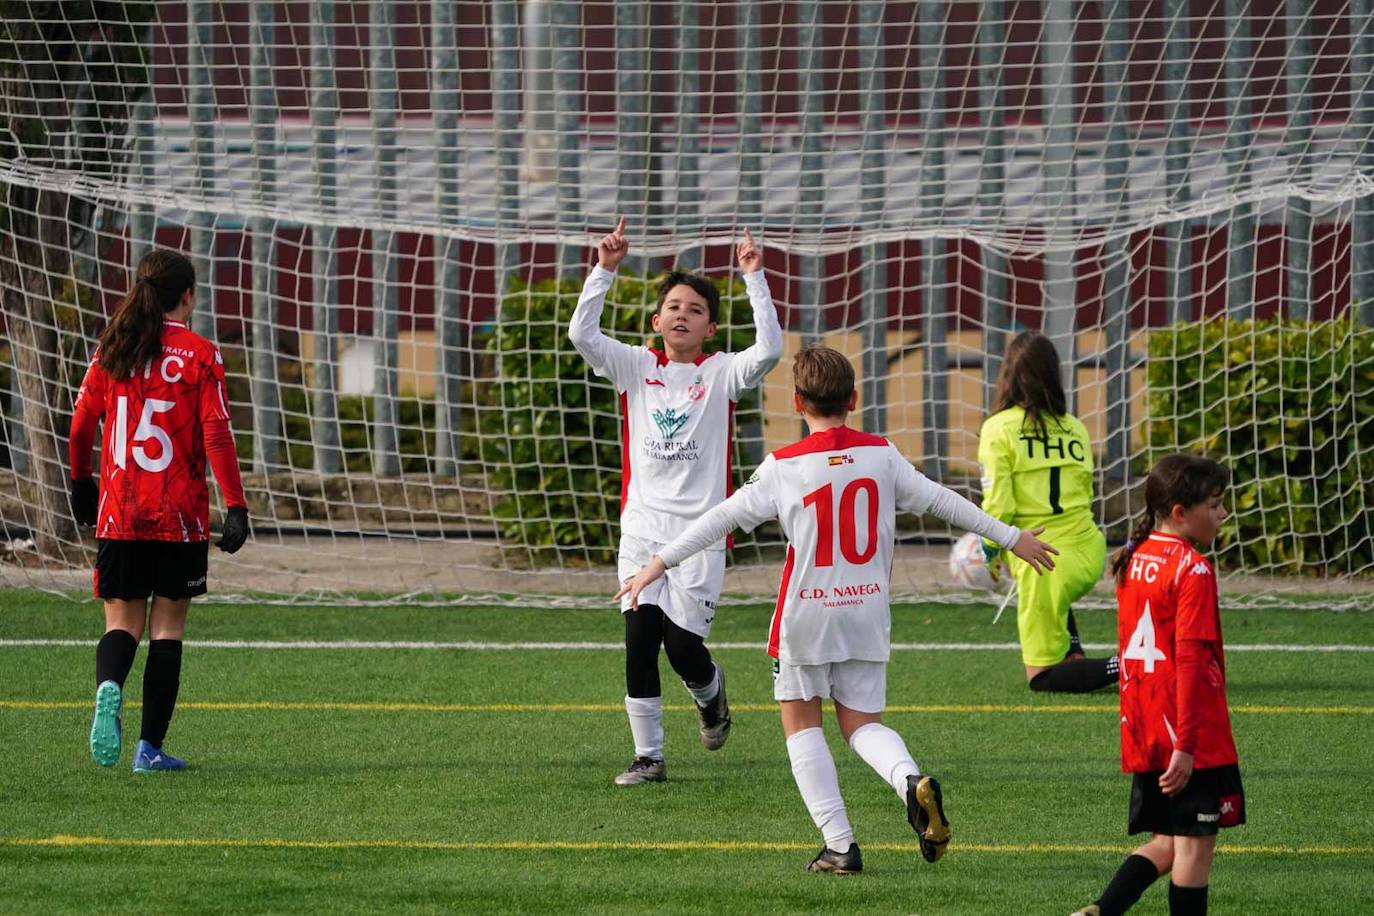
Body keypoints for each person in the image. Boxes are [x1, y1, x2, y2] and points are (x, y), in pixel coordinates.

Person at [617, 346, 1058, 873]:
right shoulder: (883, 454)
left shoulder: (782, 466)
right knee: (861, 725)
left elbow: (720, 519)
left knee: (802, 726)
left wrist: (658, 563)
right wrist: (1012, 537)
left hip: (806, 617)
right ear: (853, 399)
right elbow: (944, 500)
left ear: (797, 401)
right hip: (867, 613)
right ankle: (908, 781)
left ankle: (840, 846)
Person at [568, 217, 783, 785]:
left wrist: (753, 279)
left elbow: (770, 349)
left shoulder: (720, 373)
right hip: (642, 527)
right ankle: (649, 757)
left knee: (683, 646)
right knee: (639, 636)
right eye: (674, 306)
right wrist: (604, 270)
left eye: (695, 309)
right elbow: (582, 336)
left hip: (702, 532)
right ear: (655, 320)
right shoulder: (635, 367)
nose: (682, 314)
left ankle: (710, 694)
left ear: (711, 328)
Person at [68, 248, 250, 773]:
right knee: (167, 628)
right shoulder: (200, 355)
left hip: (120, 513)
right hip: (180, 517)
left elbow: (81, 427)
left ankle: (108, 686)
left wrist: (82, 484)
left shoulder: (113, 349)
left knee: (122, 622)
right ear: (187, 296)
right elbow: (217, 433)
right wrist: (235, 506)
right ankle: (148, 750)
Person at [1072, 455, 1243, 916]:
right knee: (1194, 850)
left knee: (1167, 842)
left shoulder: (1134, 557)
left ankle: (1099, 912)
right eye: (1215, 503)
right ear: (1181, 512)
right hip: (1189, 733)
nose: (1223, 513)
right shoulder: (1193, 569)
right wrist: (1186, 745)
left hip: (1145, 723)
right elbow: (1188, 661)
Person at [977, 330, 1118, 692]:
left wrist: (989, 552)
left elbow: (1000, 506)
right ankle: (1073, 651)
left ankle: (1135, 662)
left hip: (1045, 563)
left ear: (1007, 375)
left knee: (1041, 676)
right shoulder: (1075, 428)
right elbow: (1085, 494)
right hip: (1088, 551)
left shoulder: (997, 429)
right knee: (1057, 608)